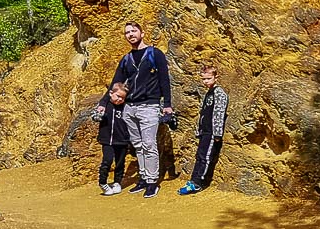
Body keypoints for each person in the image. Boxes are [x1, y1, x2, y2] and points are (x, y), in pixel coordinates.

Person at [110, 21, 175, 198]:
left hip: (149, 106)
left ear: (142, 33)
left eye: (133, 31)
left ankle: (153, 181)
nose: (130, 34)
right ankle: (144, 178)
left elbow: (164, 80)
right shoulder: (126, 59)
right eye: (127, 33)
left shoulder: (155, 54)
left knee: (149, 144)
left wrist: (167, 105)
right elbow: (116, 83)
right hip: (129, 107)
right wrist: (105, 102)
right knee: (138, 145)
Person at [180, 65, 227, 194]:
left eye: (208, 78)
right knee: (199, 156)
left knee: (205, 157)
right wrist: (198, 130)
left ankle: (198, 182)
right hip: (204, 130)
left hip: (211, 132)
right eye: (203, 79)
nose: (205, 81)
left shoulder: (219, 93)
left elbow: (219, 113)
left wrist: (217, 133)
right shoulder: (208, 93)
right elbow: (203, 113)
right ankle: (193, 180)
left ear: (216, 78)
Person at [92, 82, 132, 195]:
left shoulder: (125, 107)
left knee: (120, 162)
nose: (120, 99)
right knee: (107, 160)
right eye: (118, 96)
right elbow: (95, 116)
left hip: (122, 140)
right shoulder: (105, 106)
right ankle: (102, 182)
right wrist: (98, 116)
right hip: (107, 140)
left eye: (123, 98)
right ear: (111, 93)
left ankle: (117, 182)